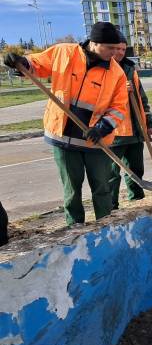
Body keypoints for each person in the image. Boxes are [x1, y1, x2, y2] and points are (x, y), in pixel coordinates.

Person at [2, 22, 128, 226]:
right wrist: (21, 62)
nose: (115, 53)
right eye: (110, 48)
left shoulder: (116, 73)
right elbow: (37, 64)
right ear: (94, 43)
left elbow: (119, 107)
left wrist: (102, 128)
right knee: (72, 189)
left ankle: (106, 227)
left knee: (102, 188)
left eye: (117, 48)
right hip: (63, 137)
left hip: (95, 141)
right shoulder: (64, 53)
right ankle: (74, 228)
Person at [109, 32, 152, 209]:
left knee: (136, 172)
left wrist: (149, 125)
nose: (120, 52)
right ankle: (110, 208)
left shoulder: (130, 68)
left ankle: (138, 203)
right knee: (111, 174)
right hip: (115, 133)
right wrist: (121, 89)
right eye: (116, 49)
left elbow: (141, 98)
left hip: (136, 130)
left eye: (123, 49)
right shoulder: (102, 69)